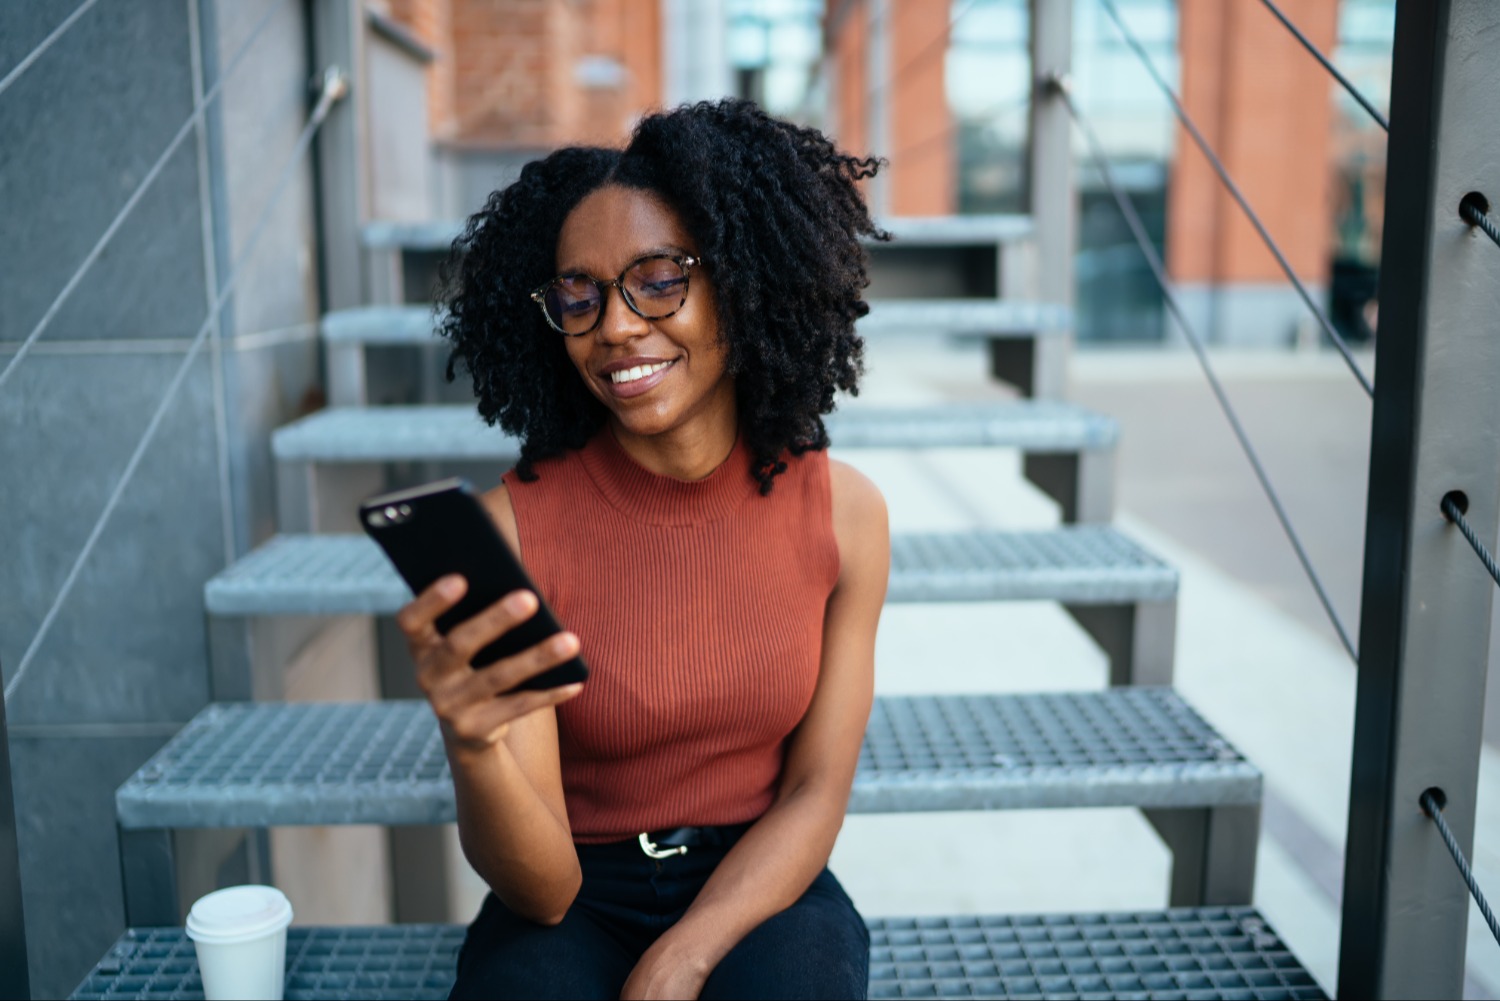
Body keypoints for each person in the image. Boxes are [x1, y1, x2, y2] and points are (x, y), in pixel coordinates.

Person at [394, 98, 891, 1000]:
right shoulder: (509, 534)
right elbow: (540, 887)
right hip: (575, 894)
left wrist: (685, 953)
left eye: (658, 279)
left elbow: (816, 791)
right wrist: (471, 745)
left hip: (763, 878)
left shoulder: (844, 515)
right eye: (578, 296)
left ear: (741, 282)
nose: (615, 326)